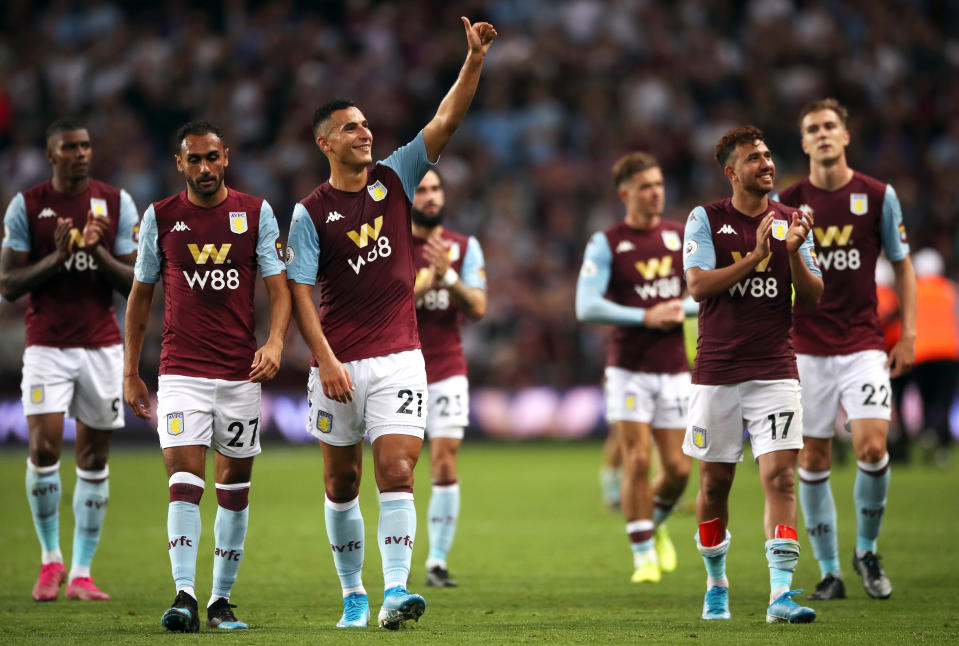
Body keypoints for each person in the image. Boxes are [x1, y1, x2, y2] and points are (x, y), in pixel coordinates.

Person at [284, 17, 496, 631]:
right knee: (340, 481)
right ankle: (353, 593)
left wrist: (474, 60)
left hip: (401, 356)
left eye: (365, 124)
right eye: (350, 127)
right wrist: (323, 359)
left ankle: (395, 592)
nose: (364, 132)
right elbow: (298, 293)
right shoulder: (308, 214)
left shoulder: (395, 178)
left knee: (399, 469)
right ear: (325, 142)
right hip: (338, 362)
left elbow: (446, 120)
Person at [123, 120, 290, 632]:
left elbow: (280, 290)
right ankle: (184, 595)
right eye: (193, 159)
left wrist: (276, 341)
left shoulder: (255, 213)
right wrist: (130, 371)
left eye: (211, 157)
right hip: (181, 375)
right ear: (180, 164)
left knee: (234, 488)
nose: (203, 167)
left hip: (240, 376)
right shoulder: (160, 218)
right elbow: (140, 297)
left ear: (226, 158)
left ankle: (220, 600)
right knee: (184, 481)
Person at [776, 98, 916, 601]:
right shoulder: (788, 204)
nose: (823, 134)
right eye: (813, 128)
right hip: (807, 347)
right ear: (804, 142)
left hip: (862, 341)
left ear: (846, 135)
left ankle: (867, 550)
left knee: (873, 447)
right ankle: (831, 571)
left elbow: (902, 265)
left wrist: (911, 336)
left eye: (831, 125)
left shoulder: (877, 196)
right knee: (812, 457)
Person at [682, 125, 823, 623]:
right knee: (715, 483)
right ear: (731, 172)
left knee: (781, 478)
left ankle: (779, 595)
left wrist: (789, 255)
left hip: (775, 369)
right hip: (717, 371)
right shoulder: (706, 219)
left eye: (767, 155)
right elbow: (698, 286)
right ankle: (716, 582)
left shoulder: (792, 221)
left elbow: (812, 297)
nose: (766, 164)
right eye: (754, 158)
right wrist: (758, 258)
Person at [0, 118, 139, 602]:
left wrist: (96, 252)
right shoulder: (28, 206)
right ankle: (49, 561)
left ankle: (81, 571)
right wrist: (57, 259)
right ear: (51, 154)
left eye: (85, 146)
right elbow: (9, 284)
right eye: (70, 147)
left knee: (94, 457)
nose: (81, 153)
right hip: (46, 347)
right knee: (42, 449)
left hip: (101, 345)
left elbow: (133, 285)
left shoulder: (116, 203)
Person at [575, 151, 694, 583]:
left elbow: (706, 295)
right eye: (646, 186)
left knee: (680, 470)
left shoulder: (681, 237)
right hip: (628, 368)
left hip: (675, 368)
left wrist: (682, 307)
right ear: (625, 193)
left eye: (659, 184)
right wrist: (644, 316)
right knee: (638, 460)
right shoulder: (607, 243)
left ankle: (652, 527)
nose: (655, 192)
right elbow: (585, 305)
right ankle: (642, 553)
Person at [409, 168, 487, 588]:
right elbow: (385, 301)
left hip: (447, 368)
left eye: (436, 188)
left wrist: (449, 275)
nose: (431, 197)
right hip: (400, 370)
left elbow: (477, 306)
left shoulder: (464, 246)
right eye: (422, 190)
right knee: (400, 467)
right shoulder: (394, 245)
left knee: (444, 460)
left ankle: (436, 561)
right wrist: (426, 281)